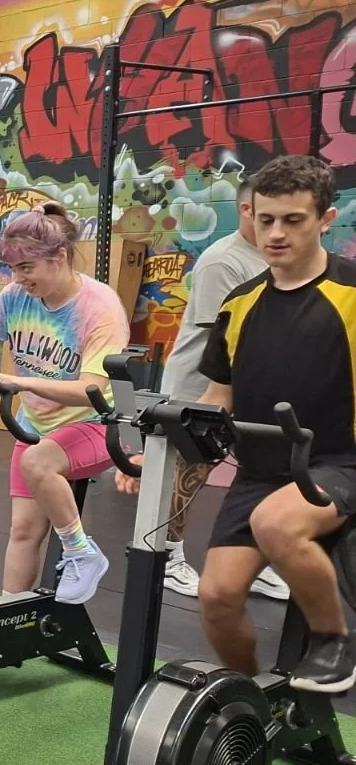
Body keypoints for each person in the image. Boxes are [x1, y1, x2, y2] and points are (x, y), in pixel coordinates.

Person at [186, 155, 356, 692]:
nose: (275, 233)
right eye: (265, 220)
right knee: (216, 596)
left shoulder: (351, 294)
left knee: (276, 524)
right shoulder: (239, 304)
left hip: (338, 463)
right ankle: (247, 699)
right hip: (259, 473)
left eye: (293, 220)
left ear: (325, 220)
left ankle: (335, 641)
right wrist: (170, 455)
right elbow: (218, 398)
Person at [0, 202, 130, 606]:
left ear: (59, 256)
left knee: (37, 462)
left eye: (26, 267)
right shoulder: (13, 297)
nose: (18, 278)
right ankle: (9, 619)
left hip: (98, 425)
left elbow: (90, 390)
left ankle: (82, 553)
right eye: (13, 269)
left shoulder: (100, 307)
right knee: (24, 531)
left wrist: (17, 381)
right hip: (37, 426)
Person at [156, 178, 287, 600]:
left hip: (255, 390)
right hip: (200, 388)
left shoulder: (273, 257)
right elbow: (230, 343)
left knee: (262, 474)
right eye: (266, 214)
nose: (276, 226)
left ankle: (256, 560)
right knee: (191, 473)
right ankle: (167, 558)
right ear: (246, 211)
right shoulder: (223, 262)